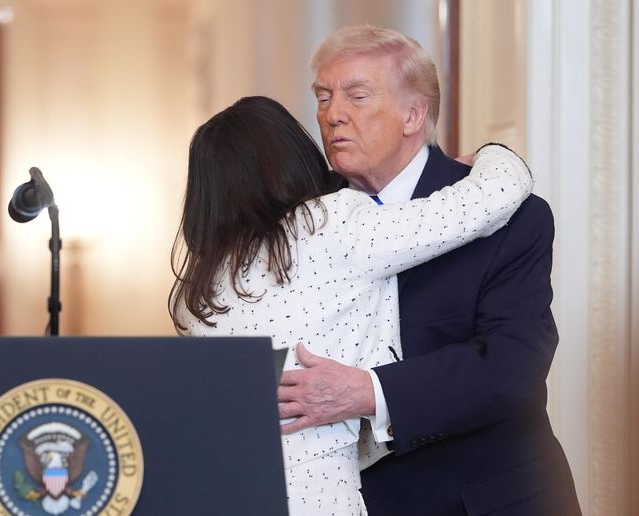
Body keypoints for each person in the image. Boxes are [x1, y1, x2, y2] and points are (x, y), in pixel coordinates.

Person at [169, 95, 533, 515]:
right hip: (319, 497)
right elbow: (491, 199)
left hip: (224, 491)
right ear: (292, 155)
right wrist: (493, 153)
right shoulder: (331, 224)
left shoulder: (194, 294)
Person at [277, 25, 582, 515]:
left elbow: (510, 368)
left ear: (413, 115)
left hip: (486, 501)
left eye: (357, 95)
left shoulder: (508, 215)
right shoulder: (296, 221)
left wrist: (367, 392)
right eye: (323, 96)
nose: (333, 115)